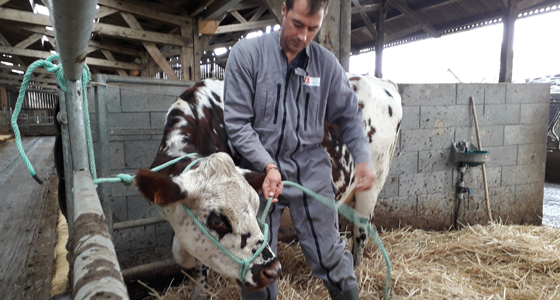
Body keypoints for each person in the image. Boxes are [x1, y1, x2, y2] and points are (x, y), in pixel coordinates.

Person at [223, 0, 376, 299]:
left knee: (330, 253)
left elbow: (348, 117)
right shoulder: (248, 54)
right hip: (258, 169)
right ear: (283, 10)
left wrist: (362, 159)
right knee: (256, 259)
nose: (304, 36)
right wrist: (268, 166)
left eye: (313, 28)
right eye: (297, 24)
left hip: (310, 168)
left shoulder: (326, 64)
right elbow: (238, 123)